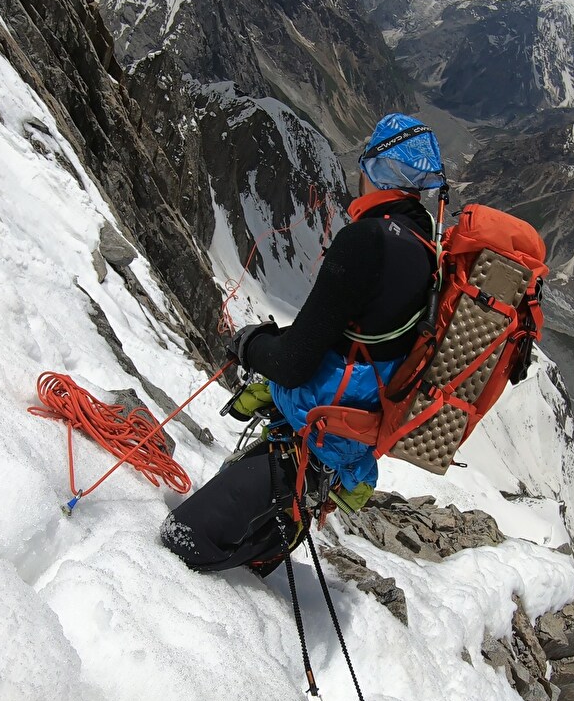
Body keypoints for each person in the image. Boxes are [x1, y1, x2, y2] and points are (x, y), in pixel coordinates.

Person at [160, 113, 446, 574]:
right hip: (338, 455)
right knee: (243, 570)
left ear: (375, 171)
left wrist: (250, 343)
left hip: (305, 443)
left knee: (179, 546)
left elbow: (293, 364)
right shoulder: (425, 253)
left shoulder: (368, 241)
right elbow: (355, 343)